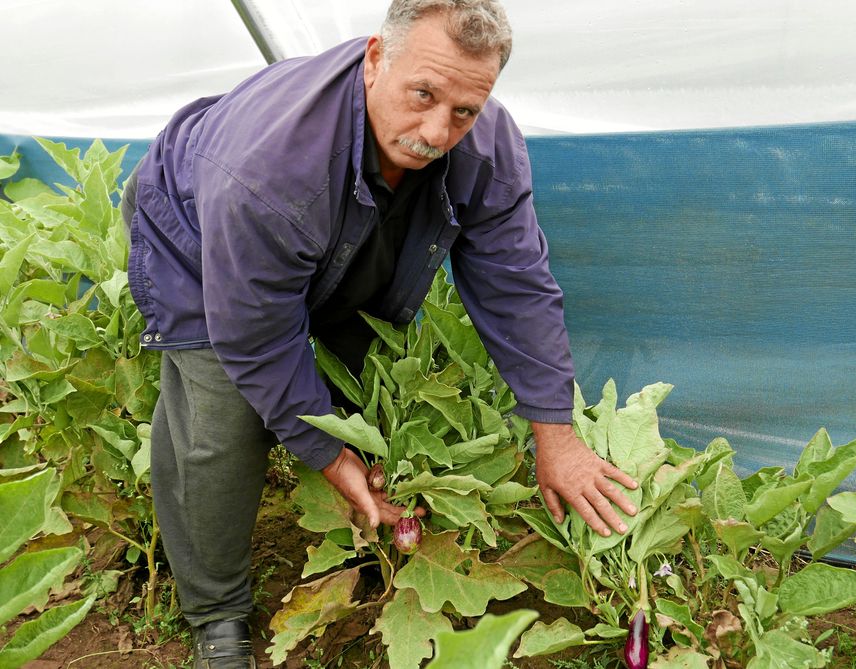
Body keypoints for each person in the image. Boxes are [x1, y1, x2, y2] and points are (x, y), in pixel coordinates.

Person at [122, 1, 638, 666]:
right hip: (198, 235)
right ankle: (216, 615)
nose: (435, 130)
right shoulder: (269, 174)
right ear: (374, 60)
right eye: (422, 94)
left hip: (347, 222)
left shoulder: (482, 143)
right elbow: (257, 339)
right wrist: (327, 454)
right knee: (220, 421)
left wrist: (555, 433)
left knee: (364, 387)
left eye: (463, 110)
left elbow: (517, 284)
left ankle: (365, 543)